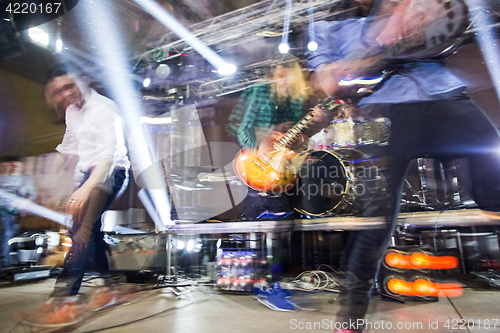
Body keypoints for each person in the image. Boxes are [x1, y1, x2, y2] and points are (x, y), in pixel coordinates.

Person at [307, 1, 500, 332]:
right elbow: (322, 78)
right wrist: (339, 70)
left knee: (496, 188)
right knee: (375, 227)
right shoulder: (325, 21)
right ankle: (350, 324)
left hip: (445, 98)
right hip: (383, 115)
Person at [26, 63, 131, 325]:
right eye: (58, 91)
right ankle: (109, 289)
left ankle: (65, 300)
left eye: (69, 86)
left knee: (81, 232)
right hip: (88, 176)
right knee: (90, 232)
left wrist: (85, 189)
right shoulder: (72, 112)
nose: (65, 95)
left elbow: (107, 159)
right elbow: (68, 146)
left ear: (84, 80)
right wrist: (48, 181)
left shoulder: (106, 109)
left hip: (111, 174)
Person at [0, 156, 37, 269]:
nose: (14, 168)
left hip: (14, 214)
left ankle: (6, 261)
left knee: (9, 236)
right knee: (6, 234)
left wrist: (24, 205)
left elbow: (31, 195)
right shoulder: (2, 178)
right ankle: (3, 263)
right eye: (12, 165)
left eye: (17, 165)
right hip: (3, 213)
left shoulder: (25, 180)